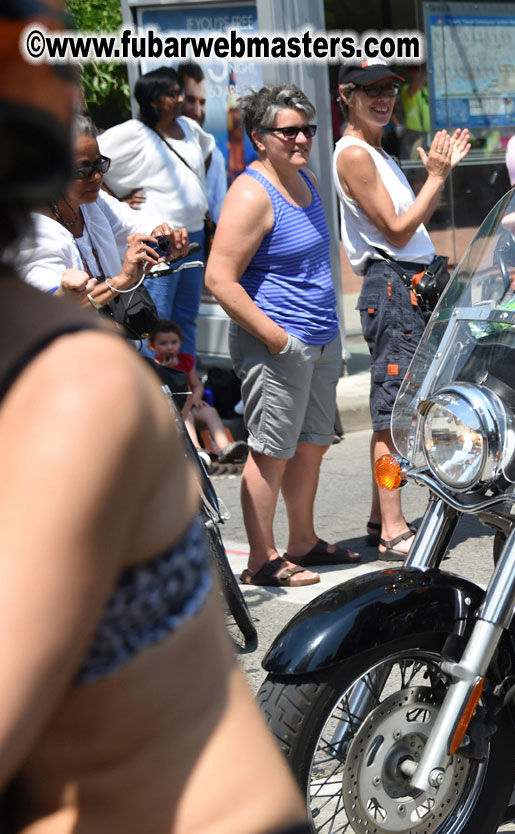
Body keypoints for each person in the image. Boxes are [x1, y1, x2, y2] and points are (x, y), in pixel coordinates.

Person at [0, 1, 310, 829]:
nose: (95, 180)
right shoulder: (44, 246)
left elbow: (129, 248)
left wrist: (156, 234)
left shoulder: (60, 385)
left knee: (166, 397)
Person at [205, 83, 353, 588]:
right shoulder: (250, 193)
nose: (300, 138)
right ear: (259, 137)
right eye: (287, 130)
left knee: (309, 444)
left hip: (320, 336)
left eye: (306, 129)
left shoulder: (304, 177)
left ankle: (303, 541)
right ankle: (261, 559)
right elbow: (219, 278)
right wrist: (275, 337)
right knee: (270, 451)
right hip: (278, 342)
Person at [333, 61, 471, 560]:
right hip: (391, 285)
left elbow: (407, 228)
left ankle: (380, 518)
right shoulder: (354, 154)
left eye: (390, 88)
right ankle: (393, 528)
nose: (384, 97)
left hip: (404, 283)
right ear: (346, 95)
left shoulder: (374, 151)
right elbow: (396, 231)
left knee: (401, 404)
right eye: (371, 90)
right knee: (393, 412)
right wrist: (436, 176)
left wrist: (435, 177)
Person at [12, 115, 190, 314]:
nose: (97, 177)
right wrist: (121, 280)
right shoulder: (33, 233)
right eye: (83, 170)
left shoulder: (93, 203)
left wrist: (164, 235)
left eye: (99, 165)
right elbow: (56, 306)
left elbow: (131, 223)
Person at [97, 67, 215, 357]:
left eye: (179, 91)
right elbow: (90, 158)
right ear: (151, 102)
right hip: (160, 240)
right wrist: (119, 198)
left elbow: (207, 150)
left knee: (186, 317)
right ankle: (157, 390)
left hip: (192, 235)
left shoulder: (189, 127)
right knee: (155, 320)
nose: (179, 98)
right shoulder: (134, 132)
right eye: (171, 94)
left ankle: (186, 386)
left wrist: (195, 192)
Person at [149, 319, 248, 462]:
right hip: (172, 411)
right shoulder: (153, 365)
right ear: (152, 346)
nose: (170, 347)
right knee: (187, 413)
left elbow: (197, 385)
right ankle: (195, 449)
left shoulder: (185, 361)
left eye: (174, 342)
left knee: (210, 412)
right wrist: (165, 369)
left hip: (190, 405)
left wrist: (196, 397)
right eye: (163, 344)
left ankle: (225, 447)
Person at [178, 61, 227, 224]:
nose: (197, 112)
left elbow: (219, 216)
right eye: (190, 100)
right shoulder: (154, 146)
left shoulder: (215, 156)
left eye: (202, 102)